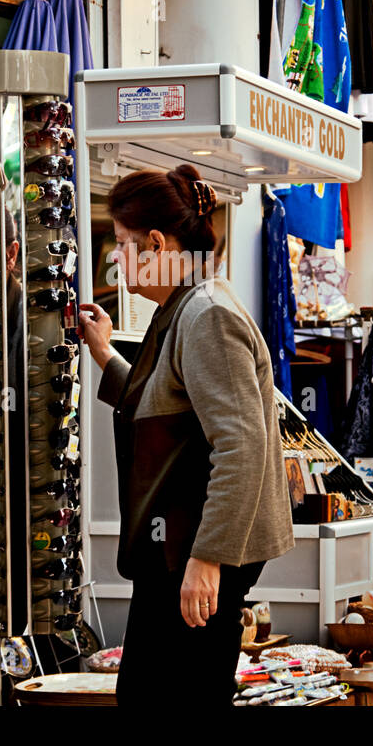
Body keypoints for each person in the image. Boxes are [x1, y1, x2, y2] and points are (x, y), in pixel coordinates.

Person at [78, 164, 294, 706]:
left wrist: (208, 559)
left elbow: (241, 447)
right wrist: (105, 352)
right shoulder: (183, 309)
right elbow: (170, 408)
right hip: (177, 548)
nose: (117, 259)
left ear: (156, 243)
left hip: (192, 551)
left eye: (123, 245)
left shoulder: (207, 315)